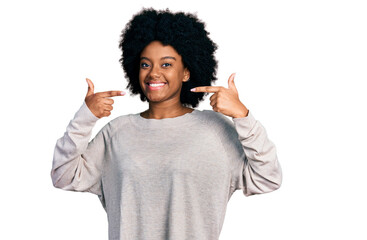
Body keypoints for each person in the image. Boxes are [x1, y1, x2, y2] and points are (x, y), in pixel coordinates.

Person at [51, 8, 282, 240]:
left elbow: (268, 178)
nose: (153, 74)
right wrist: (85, 117)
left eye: (166, 64)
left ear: (186, 72)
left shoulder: (215, 131)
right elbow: (63, 175)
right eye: (145, 64)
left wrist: (242, 116)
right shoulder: (117, 133)